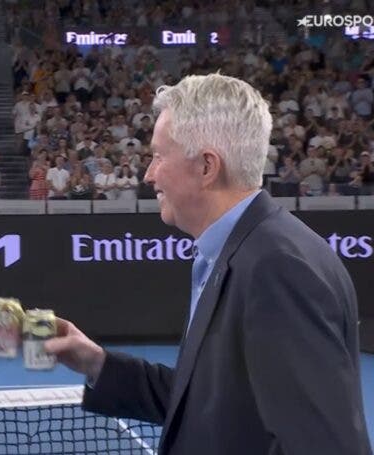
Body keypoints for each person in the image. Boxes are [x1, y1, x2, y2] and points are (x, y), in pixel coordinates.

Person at [45, 74, 372, 455]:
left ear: (206, 167)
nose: (148, 174)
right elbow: (205, 402)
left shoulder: (277, 269)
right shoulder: (239, 253)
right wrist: (96, 362)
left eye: (158, 156)